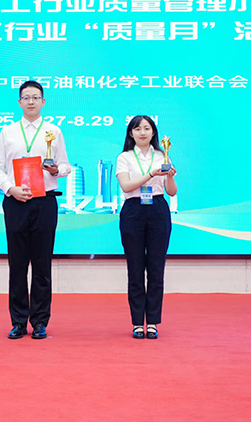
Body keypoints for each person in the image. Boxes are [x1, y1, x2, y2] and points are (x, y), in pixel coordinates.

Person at [0, 80, 72, 340]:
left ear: (43, 102)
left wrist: (56, 170)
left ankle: (39, 322)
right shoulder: (8, 132)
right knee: (17, 264)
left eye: (36, 97)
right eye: (26, 97)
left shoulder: (53, 131)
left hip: (44, 202)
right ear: (19, 102)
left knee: (41, 263)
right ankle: (18, 322)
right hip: (16, 202)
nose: (31, 102)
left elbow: (66, 166)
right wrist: (11, 188)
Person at [115, 115, 177, 340]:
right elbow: (126, 186)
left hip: (158, 209)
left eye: (147, 128)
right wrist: (151, 173)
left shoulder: (162, 155)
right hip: (133, 210)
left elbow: (171, 191)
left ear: (153, 132)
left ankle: (152, 322)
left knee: (156, 269)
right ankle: (136, 323)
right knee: (135, 269)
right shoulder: (124, 157)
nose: (143, 133)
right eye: (138, 129)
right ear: (131, 133)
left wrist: (170, 176)